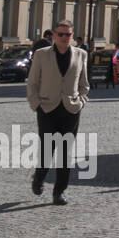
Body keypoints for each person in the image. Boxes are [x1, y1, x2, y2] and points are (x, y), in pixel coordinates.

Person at [27, 19, 89, 205]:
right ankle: (38, 178)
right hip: (47, 108)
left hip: (71, 109)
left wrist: (81, 101)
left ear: (72, 35)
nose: (64, 37)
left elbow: (84, 84)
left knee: (64, 152)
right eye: (60, 34)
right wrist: (36, 104)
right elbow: (32, 82)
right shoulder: (41, 54)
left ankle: (59, 192)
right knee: (47, 149)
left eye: (67, 34)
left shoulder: (81, 54)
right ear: (54, 35)